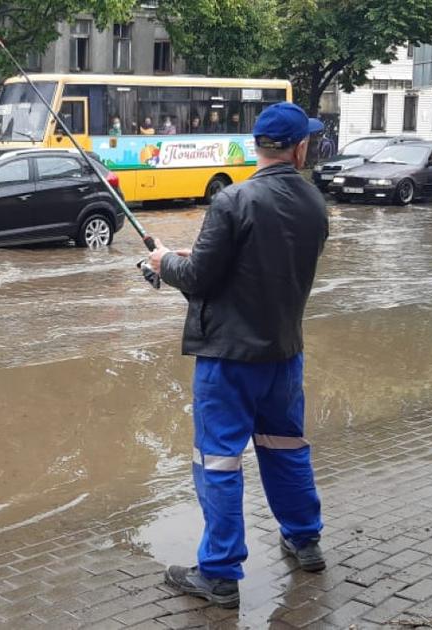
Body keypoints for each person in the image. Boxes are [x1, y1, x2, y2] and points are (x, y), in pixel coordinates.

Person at [147, 102, 329, 610]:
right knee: (286, 448)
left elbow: (200, 279)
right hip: (283, 355)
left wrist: (163, 262)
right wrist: (191, 260)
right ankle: (305, 541)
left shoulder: (233, 200)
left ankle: (220, 574)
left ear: (258, 146)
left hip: (228, 361)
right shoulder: (315, 203)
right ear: (299, 149)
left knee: (219, 461)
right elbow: (266, 267)